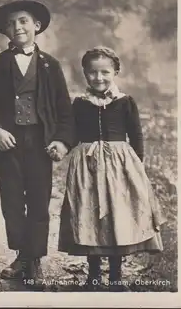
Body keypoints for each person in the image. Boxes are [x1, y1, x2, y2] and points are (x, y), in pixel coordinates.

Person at [0, 0, 76, 288]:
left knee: (39, 202)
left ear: (36, 26)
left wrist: (62, 140)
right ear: (5, 30)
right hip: (8, 142)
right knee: (12, 201)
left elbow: (64, 109)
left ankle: (34, 260)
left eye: (23, 21)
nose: (18, 27)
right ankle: (22, 254)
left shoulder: (49, 65)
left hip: (41, 142)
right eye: (11, 23)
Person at [57, 46, 165, 292]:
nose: (99, 78)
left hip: (120, 167)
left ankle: (116, 276)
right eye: (93, 73)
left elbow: (136, 135)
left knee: (118, 216)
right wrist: (61, 145)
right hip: (87, 167)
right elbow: (71, 133)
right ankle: (93, 275)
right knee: (90, 216)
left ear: (116, 72)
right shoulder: (80, 103)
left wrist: (138, 168)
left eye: (105, 72)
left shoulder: (125, 102)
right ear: (85, 74)